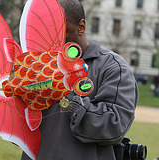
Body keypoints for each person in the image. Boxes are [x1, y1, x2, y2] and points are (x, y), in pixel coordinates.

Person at [21, 0, 138, 160]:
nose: (50, 39)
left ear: (81, 27)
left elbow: (113, 127)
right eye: (44, 30)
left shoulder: (111, 67)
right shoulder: (37, 67)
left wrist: (64, 96)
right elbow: (23, 132)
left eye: (58, 30)